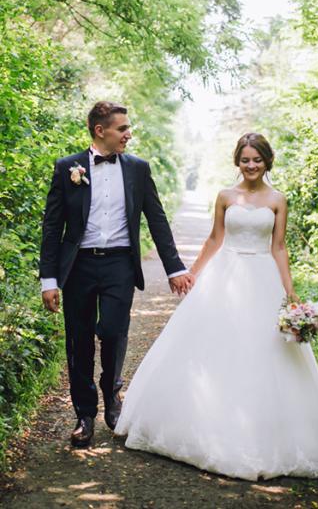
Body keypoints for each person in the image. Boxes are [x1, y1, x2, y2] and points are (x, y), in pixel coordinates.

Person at [114, 132, 318, 480]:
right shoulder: (225, 196)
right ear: (237, 161)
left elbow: (279, 247)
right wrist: (192, 272)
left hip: (262, 277)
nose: (251, 166)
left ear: (267, 161)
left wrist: (290, 290)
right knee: (211, 346)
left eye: (257, 159)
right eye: (245, 159)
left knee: (265, 351)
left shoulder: (278, 199)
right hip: (225, 273)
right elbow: (214, 238)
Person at [40, 101, 194, 448]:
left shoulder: (138, 169)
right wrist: (49, 279)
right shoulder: (68, 168)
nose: (129, 133)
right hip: (78, 266)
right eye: (122, 128)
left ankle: (112, 397)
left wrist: (175, 267)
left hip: (119, 265)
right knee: (79, 340)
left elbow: (156, 218)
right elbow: (52, 227)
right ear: (100, 131)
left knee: (112, 331)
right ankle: (84, 415)